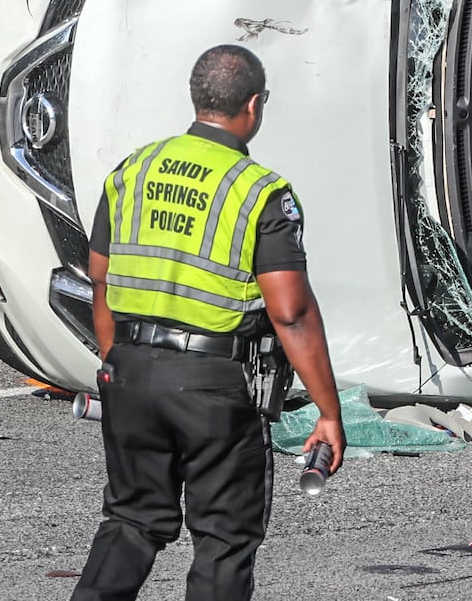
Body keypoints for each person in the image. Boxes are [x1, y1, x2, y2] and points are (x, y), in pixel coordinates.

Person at [73, 44, 344, 601]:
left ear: (197, 100)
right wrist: (329, 412)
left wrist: (114, 365)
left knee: (131, 520)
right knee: (223, 535)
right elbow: (289, 311)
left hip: (128, 371)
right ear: (253, 105)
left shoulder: (133, 170)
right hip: (212, 384)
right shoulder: (259, 191)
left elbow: (99, 279)